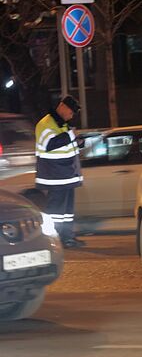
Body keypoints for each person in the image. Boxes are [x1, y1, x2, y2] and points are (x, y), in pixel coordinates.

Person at [34, 95, 85, 248]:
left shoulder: (61, 124)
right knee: (55, 212)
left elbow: (65, 144)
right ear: (63, 107)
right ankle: (53, 240)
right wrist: (71, 135)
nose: (71, 116)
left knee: (67, 213)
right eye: (71, 112)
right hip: (55, 177)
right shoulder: (45, 123)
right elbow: (50, 144)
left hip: (66, 176)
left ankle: (67, 238)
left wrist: (78, 142)